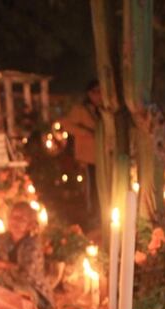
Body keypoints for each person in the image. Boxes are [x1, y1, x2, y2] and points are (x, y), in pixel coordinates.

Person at [0, 201, 50, 309]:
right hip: (2, 283)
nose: (16, 221)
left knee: (16, 301)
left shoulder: (33, 244)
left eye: (22, 218)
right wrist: (6, 265)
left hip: (28, 288)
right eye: (13, 216)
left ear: (30, 224)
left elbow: (26, 275)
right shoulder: (0, 239)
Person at [62, 80, 102, 218]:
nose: (99, 96)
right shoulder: (80, 110)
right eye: (95, 92)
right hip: (88, 156)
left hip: (102, 156)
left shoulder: (104, 110)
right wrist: (86, 132)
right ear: (89, 93)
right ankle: (91, 213)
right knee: (91, 186)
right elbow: (67, 124)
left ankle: (100, 211)